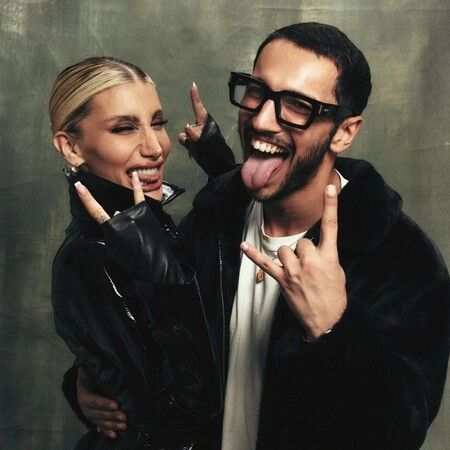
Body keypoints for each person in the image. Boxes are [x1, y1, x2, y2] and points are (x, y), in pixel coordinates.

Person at [74, 24, 449, 449]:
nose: (262, 119)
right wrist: (93, 380)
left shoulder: (403, 260)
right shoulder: (213, 219)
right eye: (257, 91)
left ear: (344, 132)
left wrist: (336, 328)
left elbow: (398, 435)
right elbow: (166, 351)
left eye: (299, 105)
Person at [50, 56, 234, 449]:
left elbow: (222, 293)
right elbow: (189, 408)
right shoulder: (89, 259)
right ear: (71, 147)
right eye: (124, 128)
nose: (155, 147)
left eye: (158, 123)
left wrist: (226, 176)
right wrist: (159, 277)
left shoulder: (152, 228)